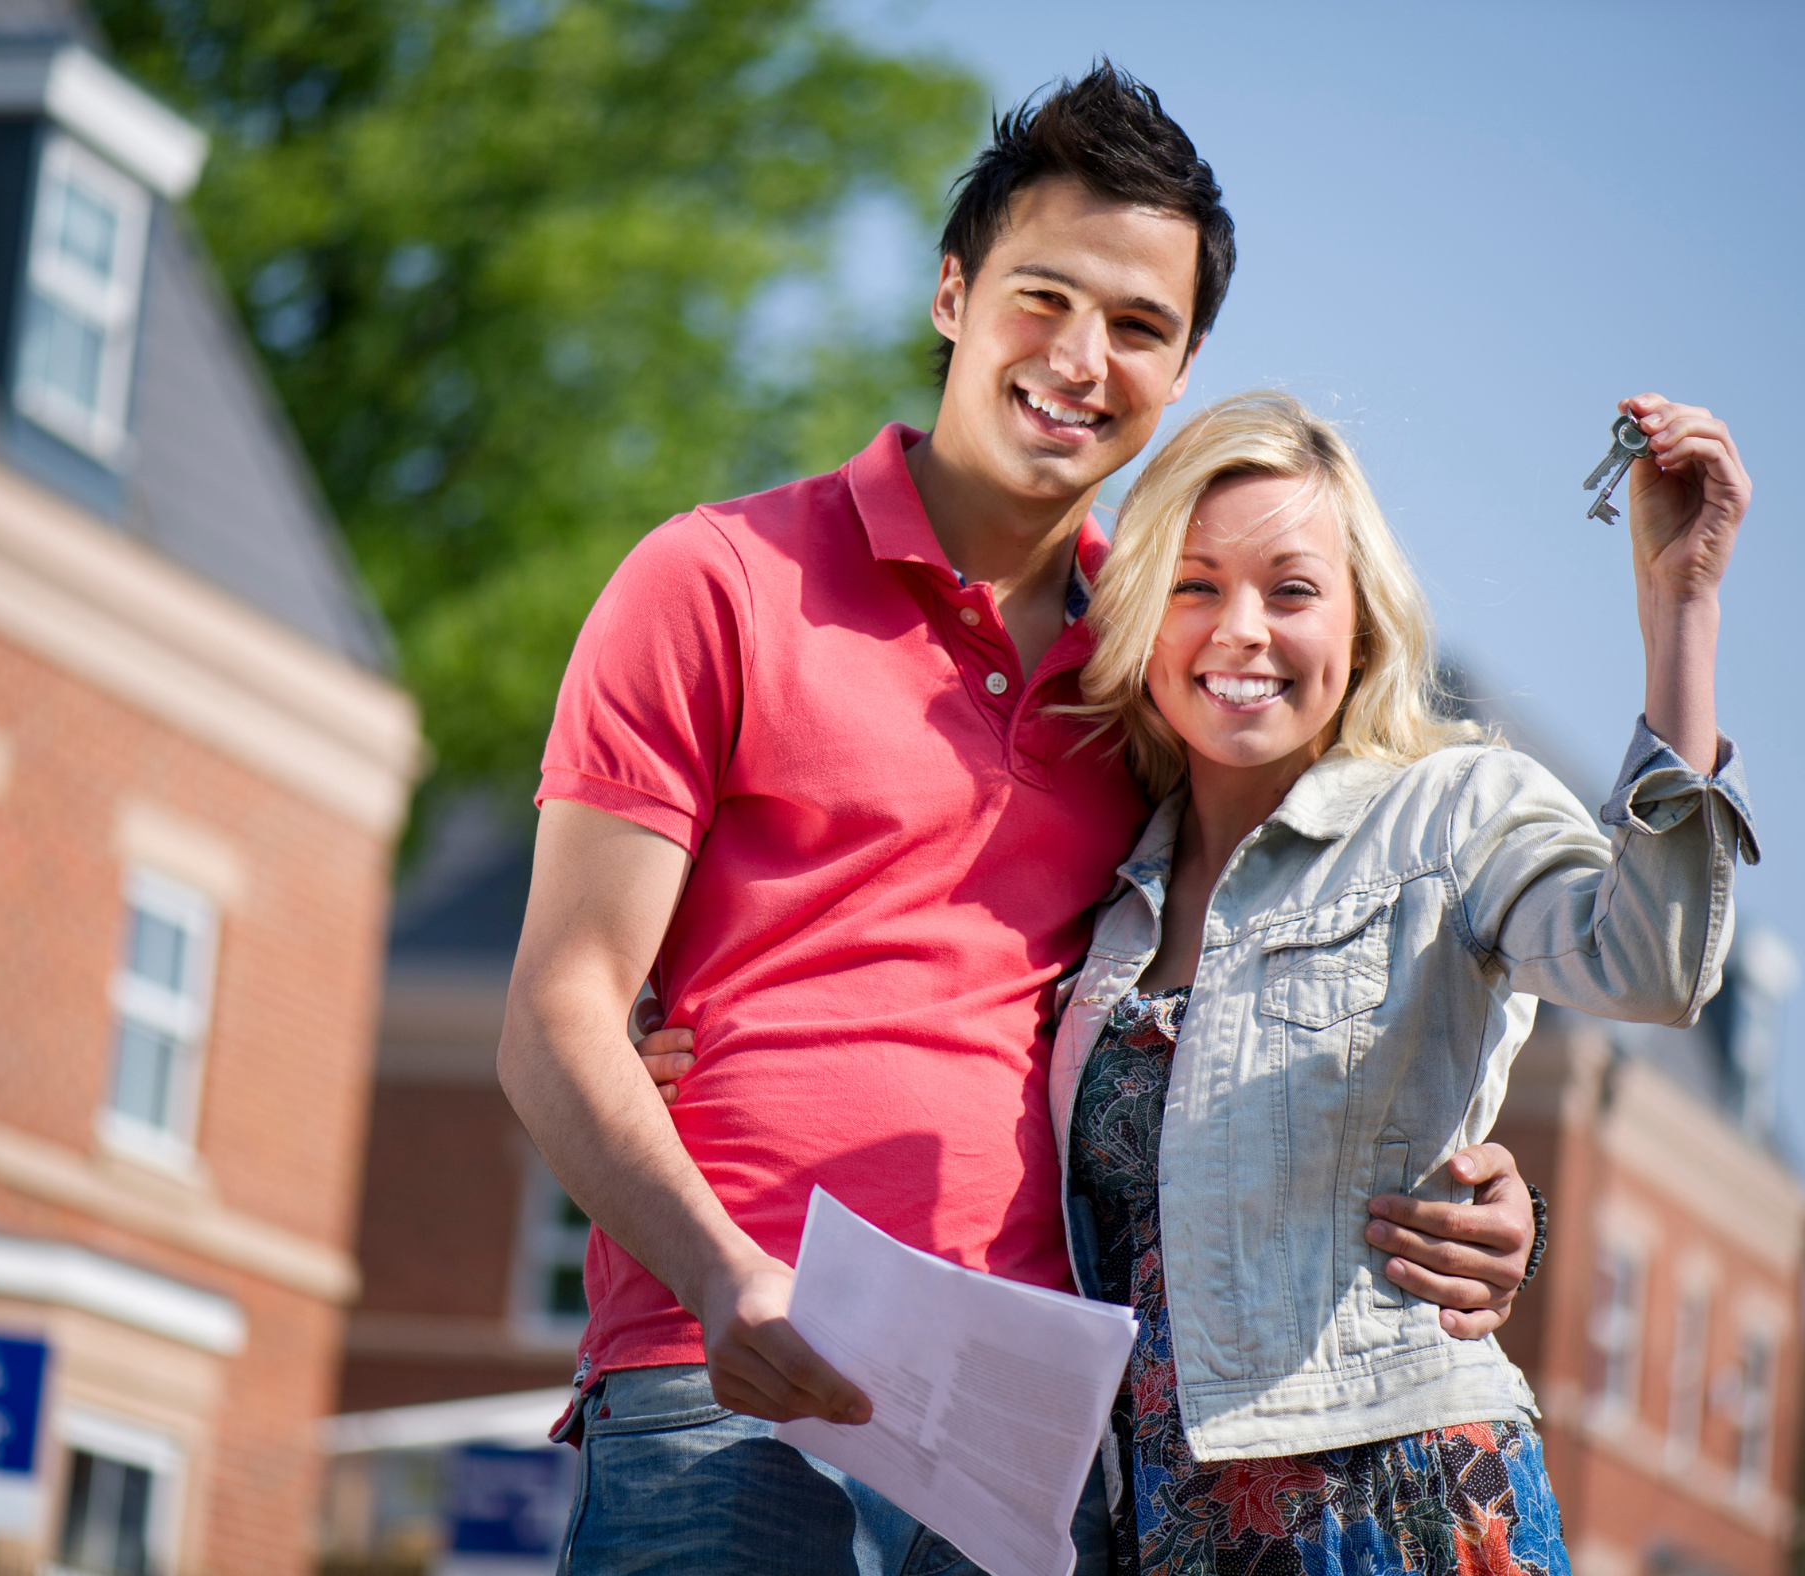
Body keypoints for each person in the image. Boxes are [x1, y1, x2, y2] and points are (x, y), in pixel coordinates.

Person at [498, 67, 1540, 1575]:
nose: (1079, 358)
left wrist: (1480, 1180)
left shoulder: (1162, 671)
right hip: (719, 1371)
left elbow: (1316, 969)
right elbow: (554, 1013)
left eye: (1139, 327)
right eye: (1042, 297)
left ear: (1180, 370)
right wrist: (725, 1279)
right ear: (950, 292)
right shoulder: (713, 579)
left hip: (1031, 1436)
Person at [1050, 389, 1754, 1573]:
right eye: (1193, 584)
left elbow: (1651, 964)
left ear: (1360, 626)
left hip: (1399, 1496)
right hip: (1156, 1525)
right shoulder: (1105, 890)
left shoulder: (1455, 808)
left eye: (1289, 589)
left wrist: (1676, 607)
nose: (1239, 632)